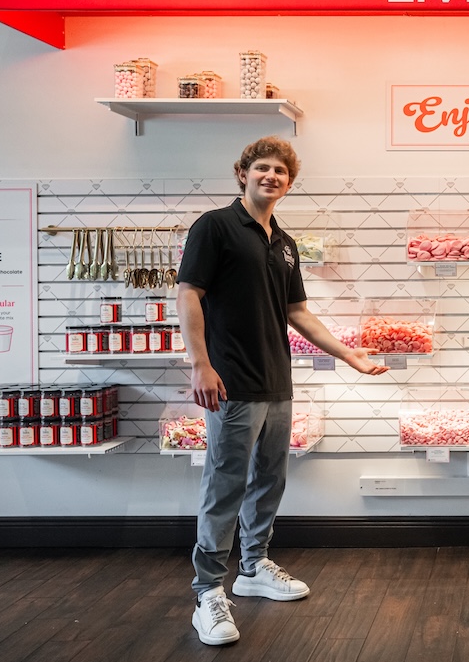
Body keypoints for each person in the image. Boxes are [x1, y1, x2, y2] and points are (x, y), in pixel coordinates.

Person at [176, 136, 388, 646]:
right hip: (231, 381)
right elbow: (189, 294)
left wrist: (349, 354)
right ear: (243, 173)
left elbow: (298, 314)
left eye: (281, 172)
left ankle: (253, 568)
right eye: (262, 168)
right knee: (225, 485)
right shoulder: (216, 227)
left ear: (289, 184)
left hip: (277, 381)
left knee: (269, 480)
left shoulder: (284, 243)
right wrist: (200, 364)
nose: (271, 177)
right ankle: (207, 591)